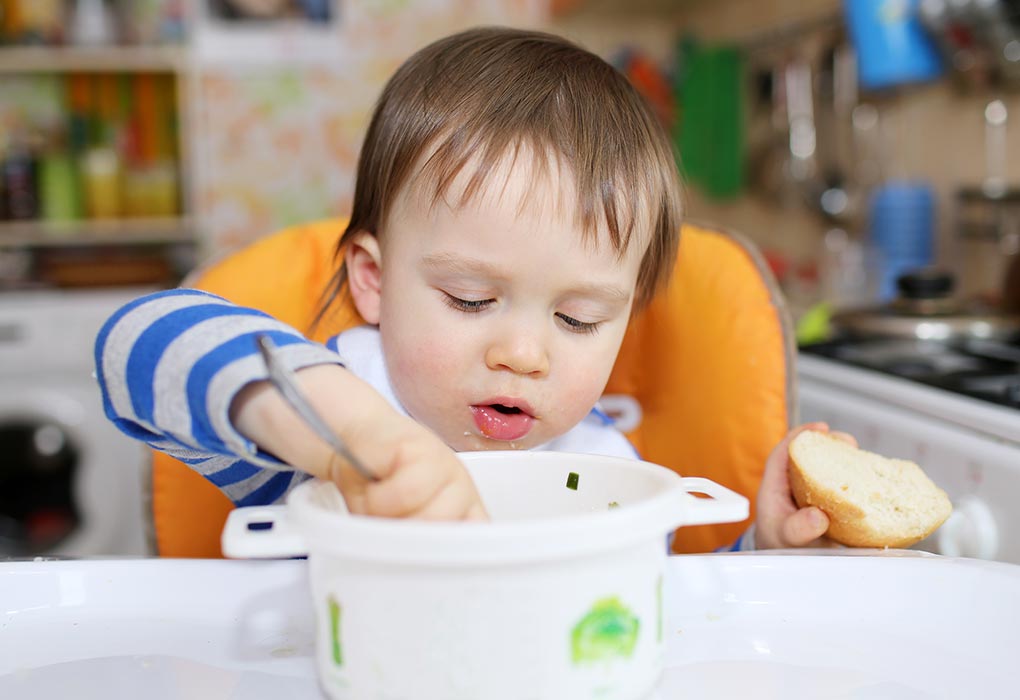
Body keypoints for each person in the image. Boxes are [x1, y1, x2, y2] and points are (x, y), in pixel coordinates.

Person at [94, 26, 836, 550]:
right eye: (471, 300)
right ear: (375, 282)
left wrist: (764, 552)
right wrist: (352, 434)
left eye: (578, 319)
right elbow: (135, 345)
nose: (522, 353)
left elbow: (658, 622)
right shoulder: (311, 441)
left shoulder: (607, 471)